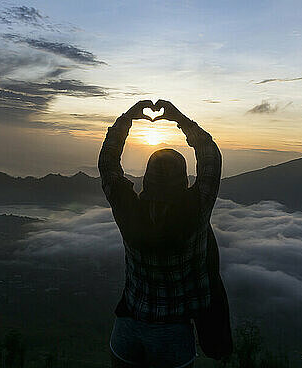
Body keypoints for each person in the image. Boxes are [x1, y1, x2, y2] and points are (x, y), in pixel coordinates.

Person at [98, 100, 232, 368]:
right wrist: (180, 119)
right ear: (184, 181)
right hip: (172, 335)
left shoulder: (128, 210)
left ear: (146, 179)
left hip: (127, 330)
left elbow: (107, 164)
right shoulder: (196, 211)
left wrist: (127, 120)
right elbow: (210, 157)